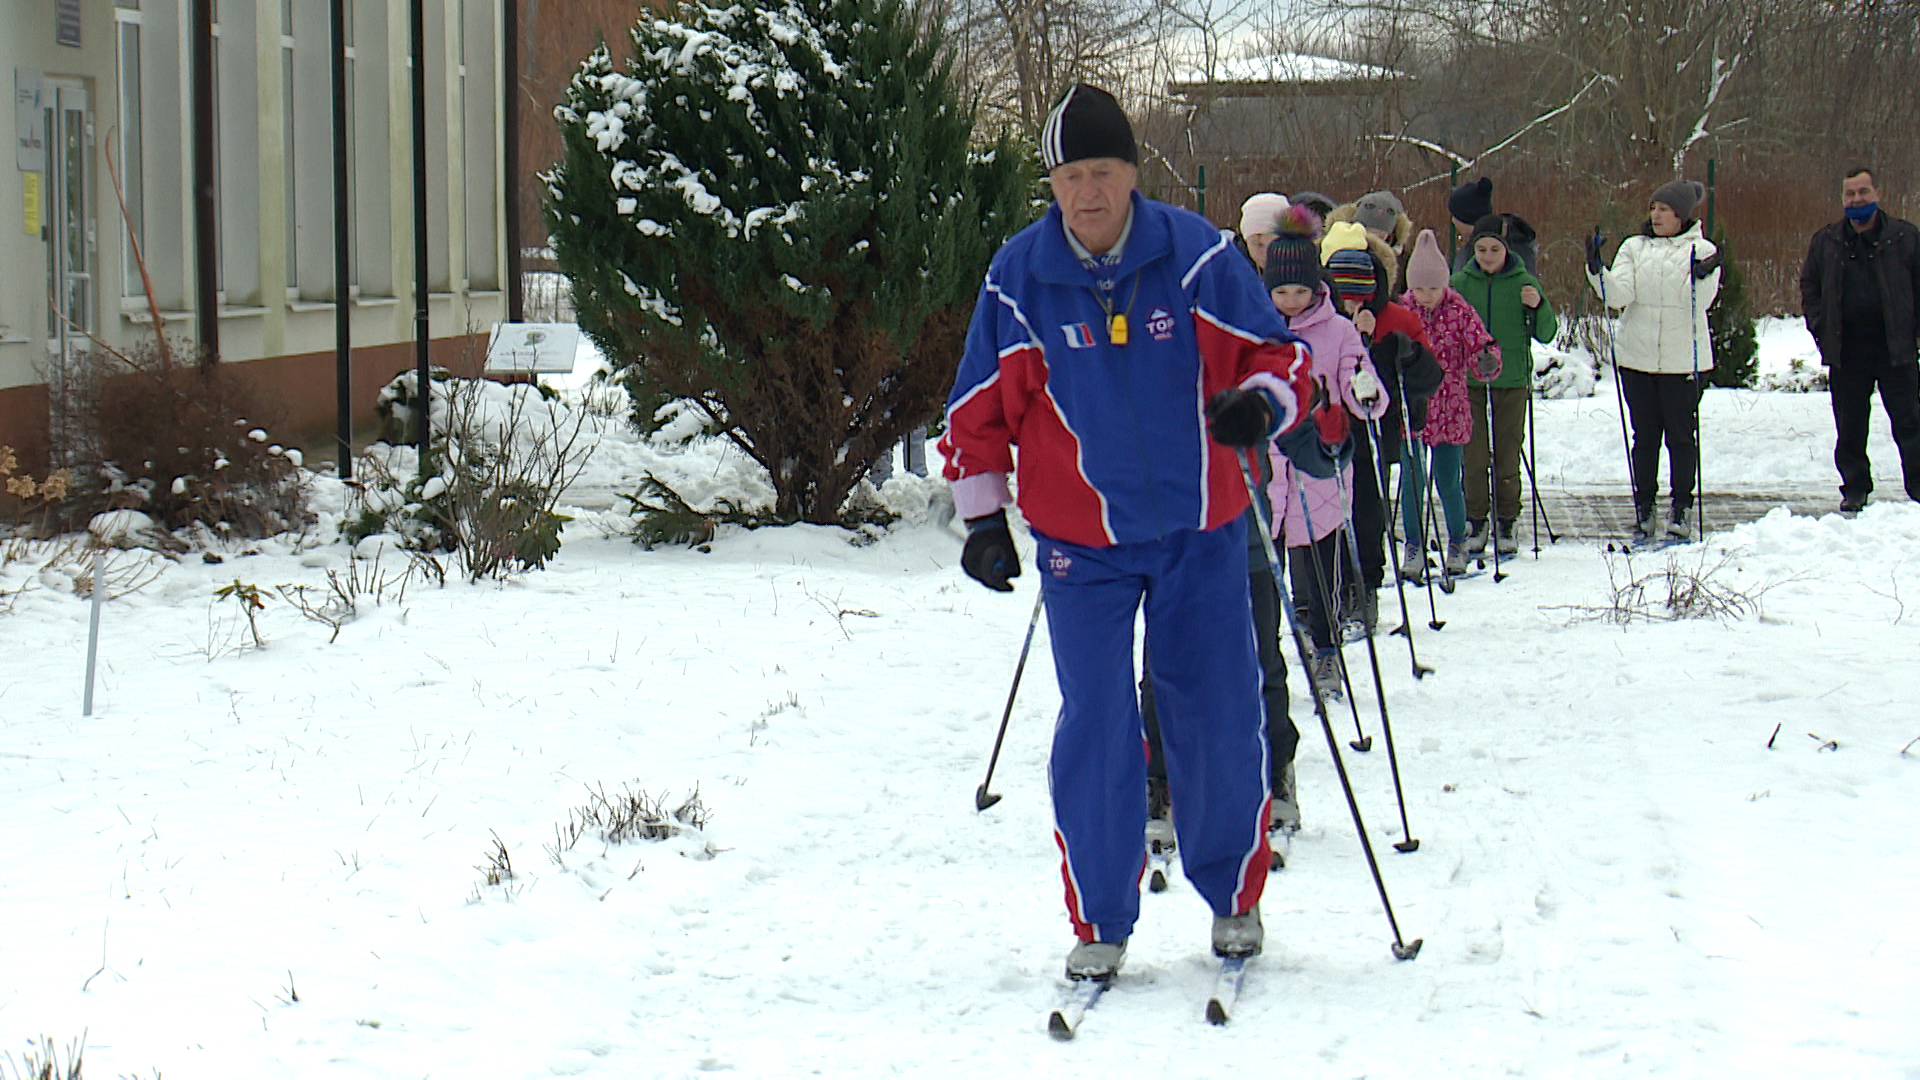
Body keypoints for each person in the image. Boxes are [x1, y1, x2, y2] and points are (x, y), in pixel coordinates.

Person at [939, 85, 1345, 983]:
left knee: (1214, 705)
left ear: (1133, 173)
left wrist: (1259, 409)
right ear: (1052, 183)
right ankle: (1101, 914)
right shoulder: (1020, 278)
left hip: (1198, 526)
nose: (1088, 192)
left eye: (1105, 172)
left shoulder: (1195, 258)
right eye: (1071, 176)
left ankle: (1233, 897)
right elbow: (977, 409)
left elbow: (1283, 361)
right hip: (1077, 540)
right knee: (1098, 723)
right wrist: (981, 520)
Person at [1263, 206, 1389, 698]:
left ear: (1317, 286)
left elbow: (1359, 380)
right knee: (1264, 578)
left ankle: (1328, 651)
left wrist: (1364, 393)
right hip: (1266, 474)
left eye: (1300, 290)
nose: (1291, 301)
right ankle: (1264, 659)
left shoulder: (1337, 331)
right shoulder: (1257, 331)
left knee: (1320, 577)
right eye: (1281, 291)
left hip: (1319, 471)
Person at [1586, 179, 1722, 537]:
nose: (1656, 215)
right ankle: (1644, 506)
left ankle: (1681, 508)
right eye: (1653, 208)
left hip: (1682, 363)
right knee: (1644, 437)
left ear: (1681, 215)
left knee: (1681, 436)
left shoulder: (1701, 248)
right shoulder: (1635, 247)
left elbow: (1700, 302)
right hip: (1638, 359)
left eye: (1665, 209)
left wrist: (1704, 276)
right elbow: (1618, 296)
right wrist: (1597, 269)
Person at [1798, 166, 1920, 512]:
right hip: (1847, 350)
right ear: (1842, 199)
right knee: (1850, 427)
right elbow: (1810, 286)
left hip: (1896, 348)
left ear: (1878, 194)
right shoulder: (1827, 241)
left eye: (1863, 192)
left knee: (1910, 423)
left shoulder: (1905, 237)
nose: (1857, 200)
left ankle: (1918, 486)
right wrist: (1820, 326)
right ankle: (1855, 488)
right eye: (1850, 194)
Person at [1454, 215, 1557, 556]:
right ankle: (1476, 517)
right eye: (1480, 249)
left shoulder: (1523, 282)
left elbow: (1547, 332)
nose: (1486, 256)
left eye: (1493, 249)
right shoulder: (1460, 283)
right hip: (1469, 380)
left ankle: (1506, 518)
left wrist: (1538, 305)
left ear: (1506, 250)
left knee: (1508, 450)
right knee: (1474, 452)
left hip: (1511, 379)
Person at [1403, 230, 1497, 577]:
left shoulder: (1459, 311)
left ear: (1444, 285)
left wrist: (1486, 359)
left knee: (1448, 479)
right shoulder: (1402, 311)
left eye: (1432, 288)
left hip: (1451, 408)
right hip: (1412, 410)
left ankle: (1457, 540)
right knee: (1413, 481)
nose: (1426, 297)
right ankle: (1413, 543)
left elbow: (1479, 345)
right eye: (1420, 289)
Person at [1447, 177, 1540, 277]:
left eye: (1455, 216)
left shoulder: (1513, 248)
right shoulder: (1472, 246)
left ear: (1467, 218)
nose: (1453, 221)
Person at [1327, 191, 1415, 288]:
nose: (1373, 240)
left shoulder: (1404, 261)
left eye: (1380, 236)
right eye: (1367, 232)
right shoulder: (1332, 248)